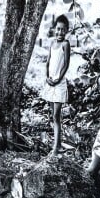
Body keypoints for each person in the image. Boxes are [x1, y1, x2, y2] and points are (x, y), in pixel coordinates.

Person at [40, 14, 71, 156]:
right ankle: (58, 144)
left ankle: (56, 147)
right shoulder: (52, 44)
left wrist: (58, 79)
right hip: (50, 82)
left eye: (63, 30)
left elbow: (66, 64)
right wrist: (47, 78)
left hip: (59, 83)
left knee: (56, 115)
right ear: (54, 29)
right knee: (54, 116)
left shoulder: (65, 44)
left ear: (67, 31)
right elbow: (47, 62)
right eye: (58, 29)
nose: (60, 32)